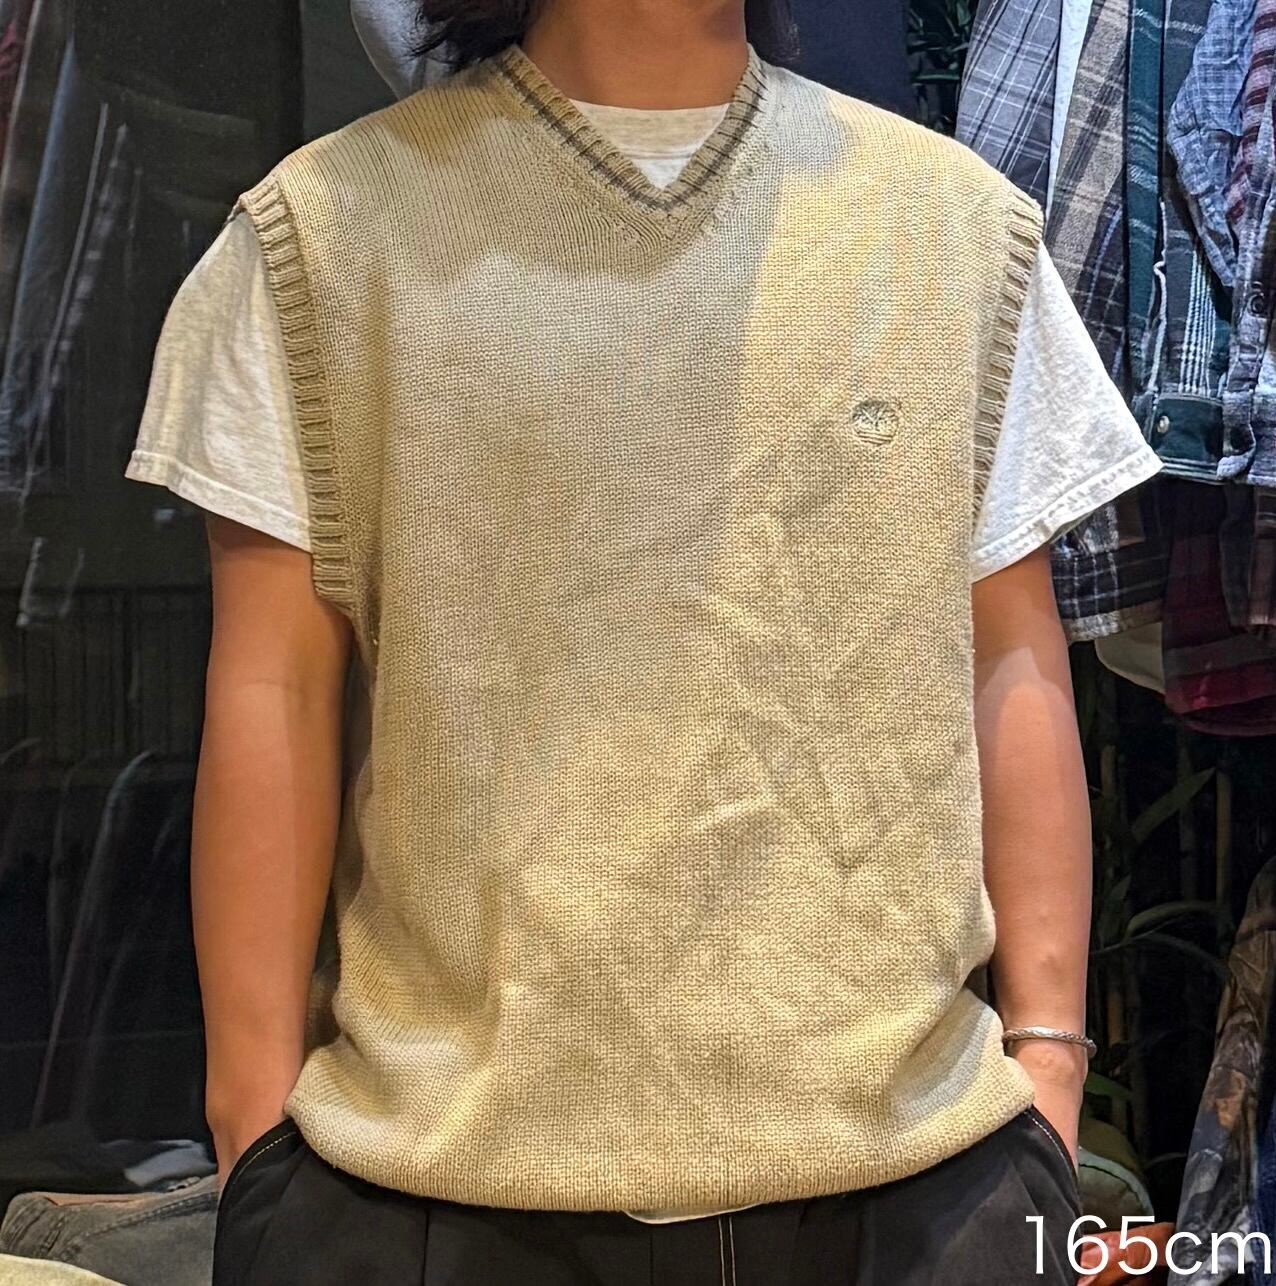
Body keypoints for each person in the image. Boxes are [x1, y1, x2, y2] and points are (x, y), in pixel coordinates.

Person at [124, 1, 1163, 1282]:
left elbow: (1008, 652)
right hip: (433, 1184)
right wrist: (251, 1132)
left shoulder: (955, 231)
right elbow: (272, 685)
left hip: (918, 1186)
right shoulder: (321, 238)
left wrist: (1047, 1060)